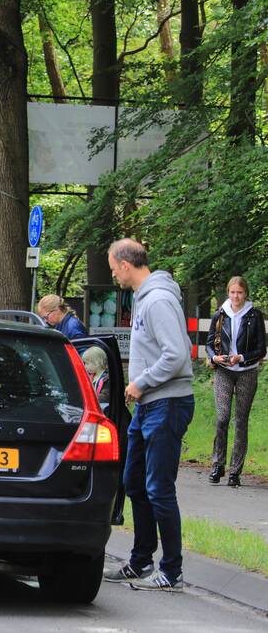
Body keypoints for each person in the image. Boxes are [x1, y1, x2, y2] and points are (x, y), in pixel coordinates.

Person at [103, 238, 194, 592]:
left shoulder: (157, 300)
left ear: (126, 264)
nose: (112, 274)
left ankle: (172, 569)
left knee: (158, 488)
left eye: (113, 267)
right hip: (149, 405)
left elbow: (177, 355)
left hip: (166, 403)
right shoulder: (146, 299)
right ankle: (141, 560)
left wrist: (141, 382)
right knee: (134, 481)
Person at [205, 276, 265, 487]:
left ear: (245, 293)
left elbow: (261, 349)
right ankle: (217, 464)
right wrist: (214, 357)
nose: (236, 296)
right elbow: (210, 342)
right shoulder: (220, 314)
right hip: (223, 371)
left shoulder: (254, 316)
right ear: (228, 293)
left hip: (246, 372)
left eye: (239, 292)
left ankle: (235, 471)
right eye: (232, 292)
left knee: (240, 421)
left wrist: (243, 357)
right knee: (222, 417)